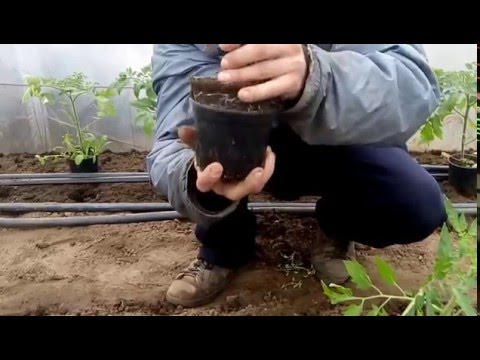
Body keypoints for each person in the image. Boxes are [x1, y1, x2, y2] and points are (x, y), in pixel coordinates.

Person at [147, 44, 447, 308]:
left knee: (412, 202)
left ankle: (337, 226)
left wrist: (314, 76)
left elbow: (413, 84)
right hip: (245, 146)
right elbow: (172, 140)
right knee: (207, 158)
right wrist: (198, 179)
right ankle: (223, 248)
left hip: (333, 133)